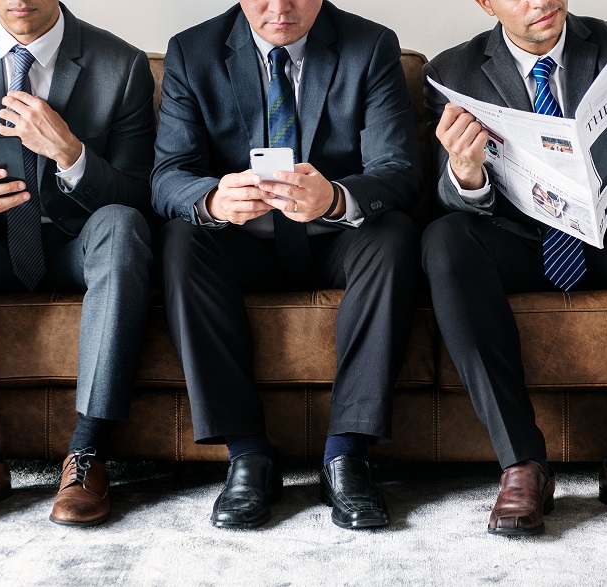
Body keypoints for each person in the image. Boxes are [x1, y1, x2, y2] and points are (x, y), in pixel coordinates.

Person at [423, 0, 607, 534]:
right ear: (486, 4)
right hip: (514, 239)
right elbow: (443, 195)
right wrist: (466, 175)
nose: (540, 1)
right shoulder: (452, 72)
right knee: (445, 240)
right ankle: (522, 464)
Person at [152, 0, 421, 530]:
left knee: (395, 235)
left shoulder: (370, 46)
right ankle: (248, 454)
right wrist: (211, 200)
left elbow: (399, 168)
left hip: (335, 235)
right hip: (242, 240)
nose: (280, 8)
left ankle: (348, 453)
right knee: (183, 238)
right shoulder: (192, 51)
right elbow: (168, 175)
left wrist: (337, 197)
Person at [0, 0, 156, 527]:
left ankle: (86, 454)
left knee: (122, 225)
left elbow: (139, 193)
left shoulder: (123, 63)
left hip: (72, 245)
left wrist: (71, 153)